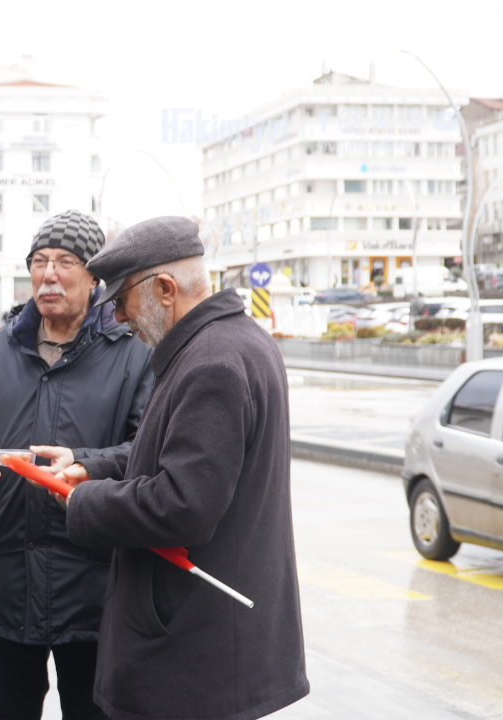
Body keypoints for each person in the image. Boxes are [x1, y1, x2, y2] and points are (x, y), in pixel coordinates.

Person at [42, 217, 309, 720]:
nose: (119, 317)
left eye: (122, 301)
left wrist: (85, 501)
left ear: (165, 289)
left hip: (195, 661)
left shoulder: (211, 361)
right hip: (213, 648)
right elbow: (169, 453)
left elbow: (183, 503)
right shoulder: (236, 342)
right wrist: (89, 467)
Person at [0, 210, 155, 720]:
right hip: (7, 578)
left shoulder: (132, 355)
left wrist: (84, 463)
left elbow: (145, 451)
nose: (49, 274)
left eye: (65, 262)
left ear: (93, 278)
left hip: (92, 581)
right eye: (39, 262)